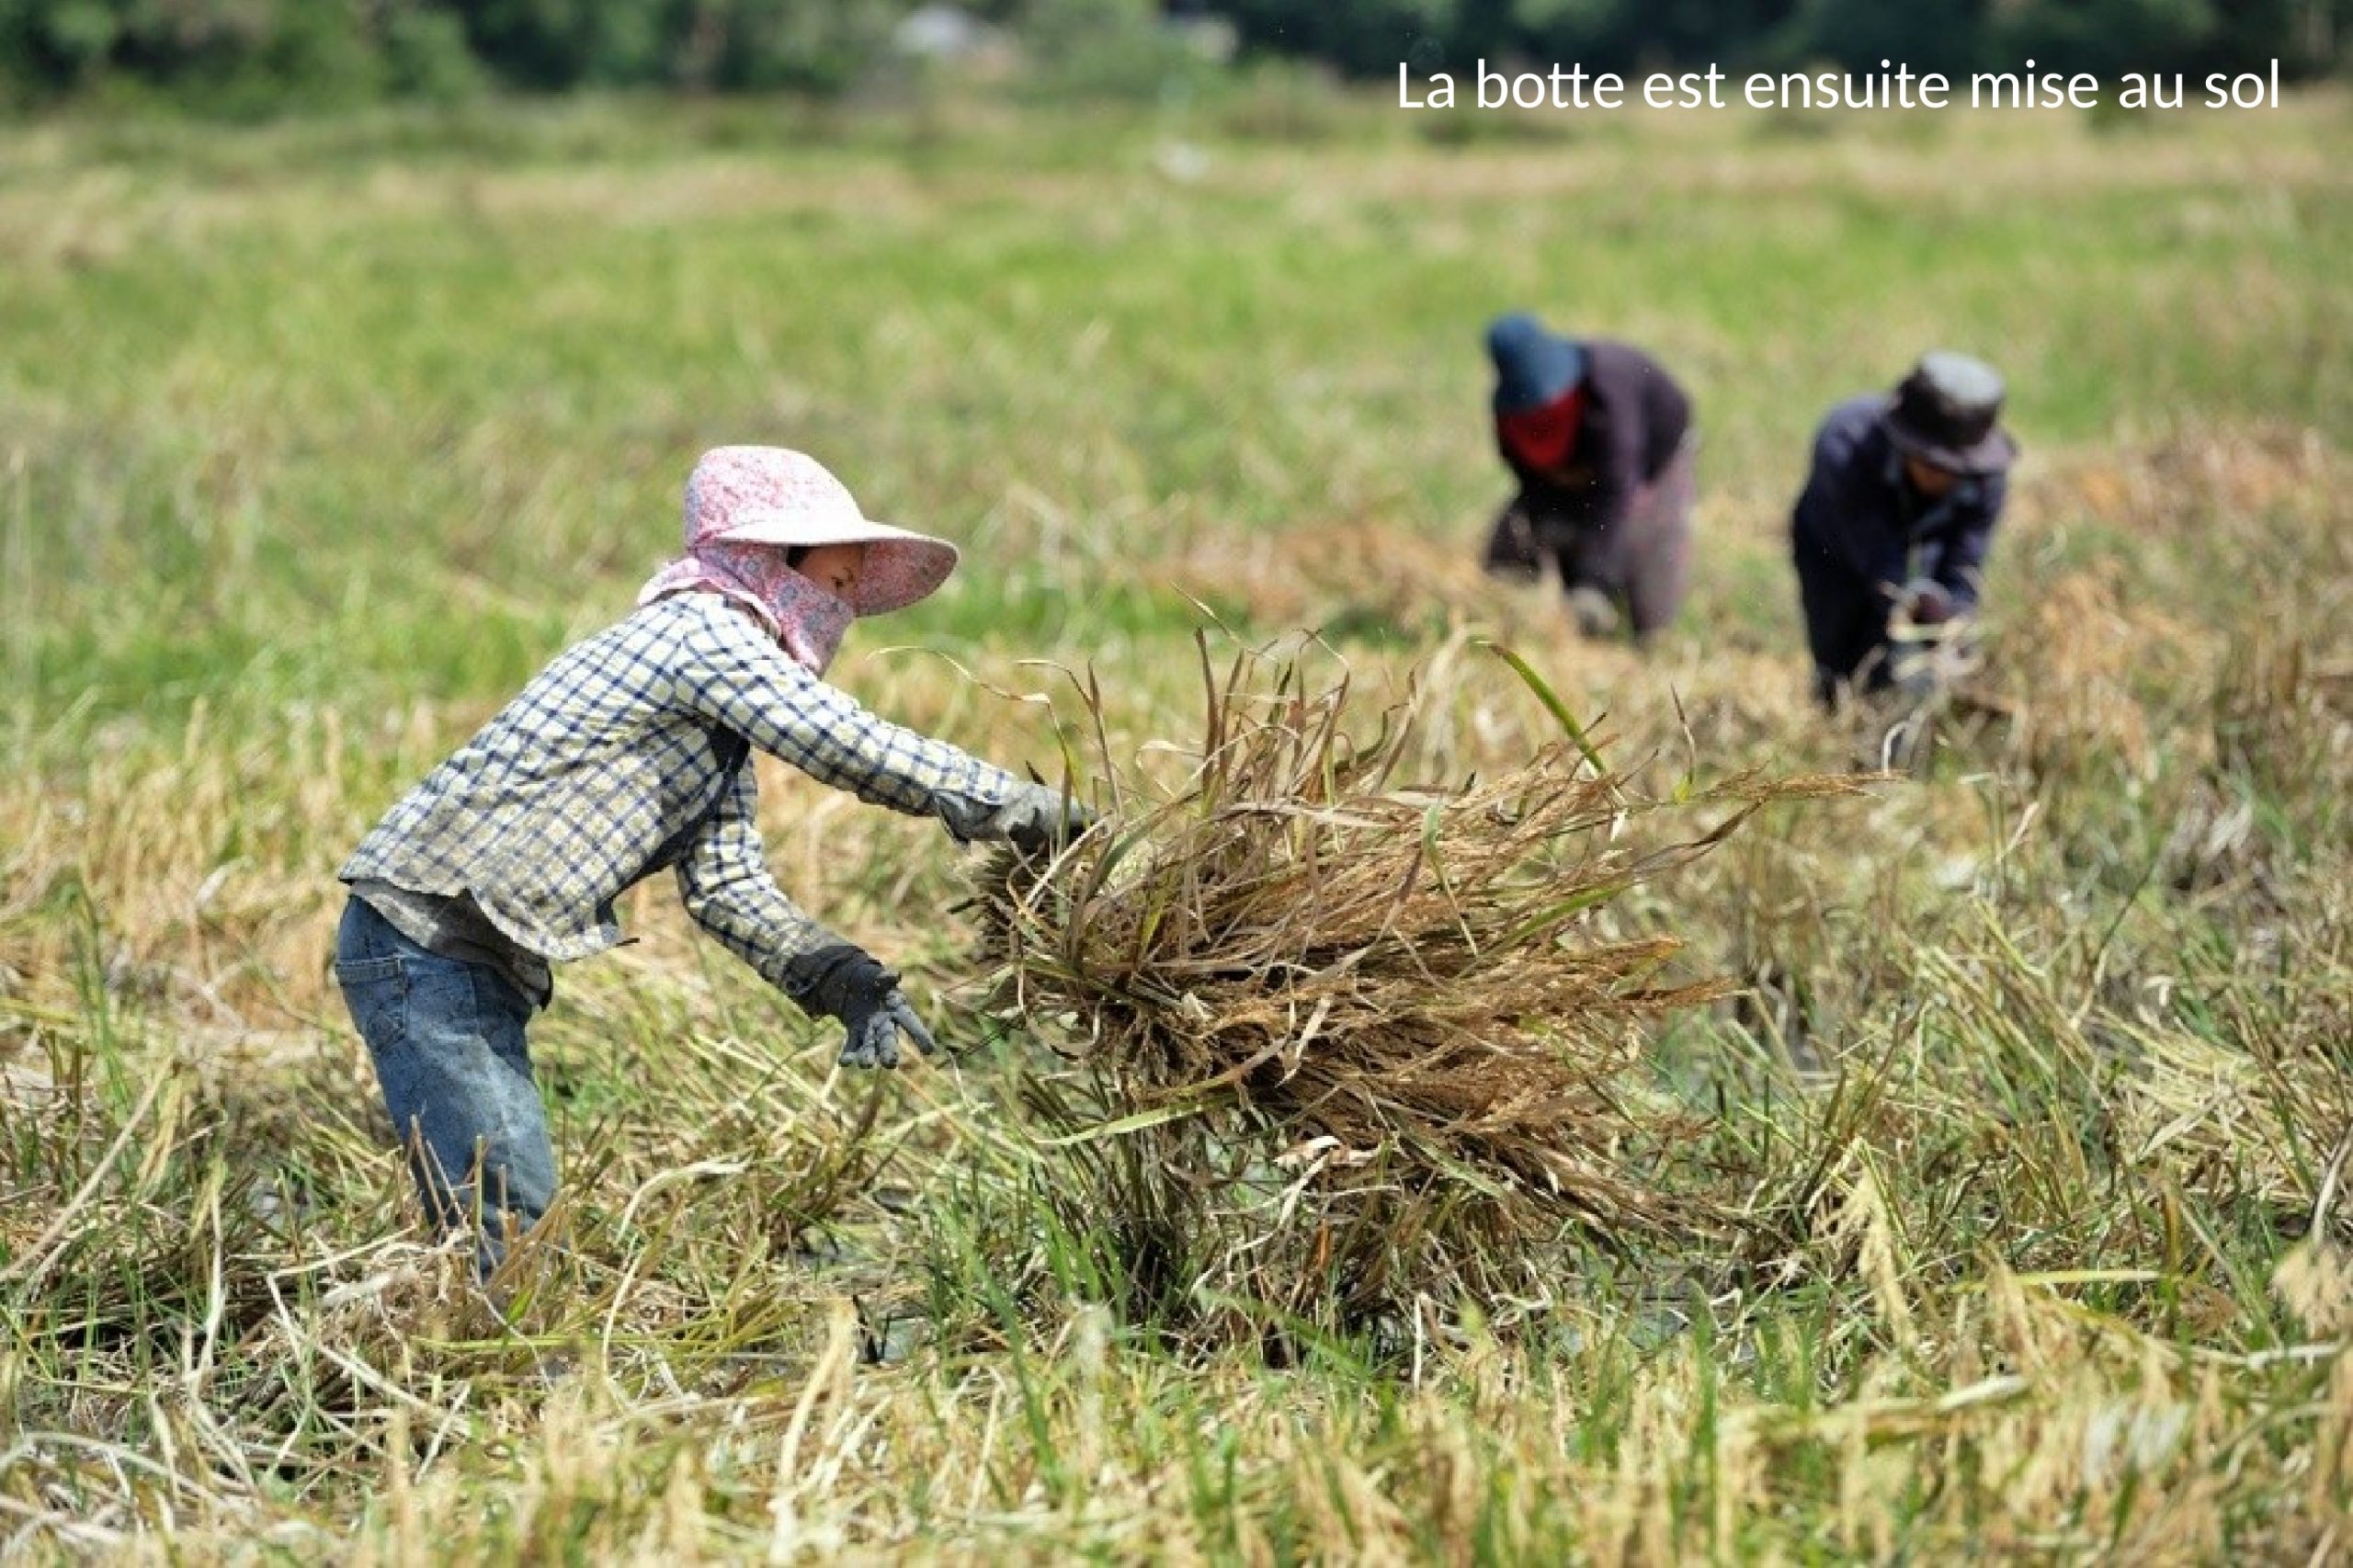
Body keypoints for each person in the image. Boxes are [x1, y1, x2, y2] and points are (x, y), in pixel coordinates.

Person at [332, 445, 1090, 1273]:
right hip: (422, 940)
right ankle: (497, 1351)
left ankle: (495, 1337)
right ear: (768, 561)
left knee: (505, 1216)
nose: (840, 610)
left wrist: (840, 976)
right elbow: (842, 740)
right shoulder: (701, 632)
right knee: (509, 1224)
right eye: (835, 584)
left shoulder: (711, 718)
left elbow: (726, 885)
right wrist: (1014, 807)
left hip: (463, 951)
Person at [1791, 352, 2018, 706]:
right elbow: (1876, 553)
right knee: (1839, 647)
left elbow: (1966, 560)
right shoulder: (1846, 445)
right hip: (1835, 550)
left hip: (1926, 541)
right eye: (1930, 463)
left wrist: (1952, 619)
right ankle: (1835, 709)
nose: (1940, 477)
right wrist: (1908, 600)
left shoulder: (1986, 480)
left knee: (1911, 666)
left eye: (1953, 468)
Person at [1478, 312, 1697, 644]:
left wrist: (1594, 583)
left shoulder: (1609, 393)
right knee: (1518, 536)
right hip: (1578, 471)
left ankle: (1651, 637)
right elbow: (1531, 487)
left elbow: (1616, 491)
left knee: (1644, 539)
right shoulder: (1511, 419)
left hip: (1653, 460)